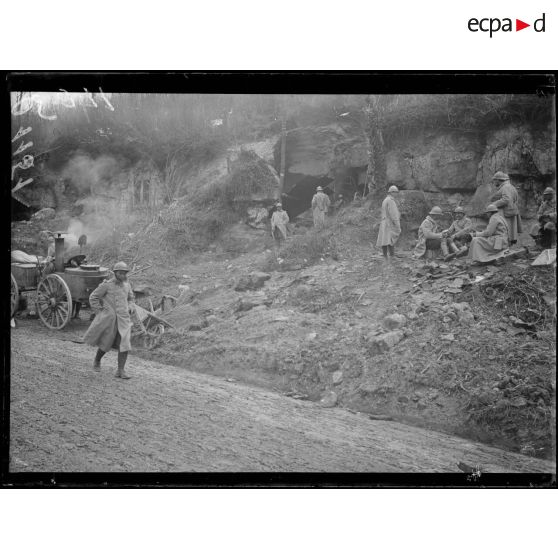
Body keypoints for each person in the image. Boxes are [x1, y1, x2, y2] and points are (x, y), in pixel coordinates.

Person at [83, 261, 135, 379]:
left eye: (124, 273)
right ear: (115, 273)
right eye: (120, 273)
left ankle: (120, 370)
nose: (123, 275)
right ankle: (97, 360)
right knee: (106, 343)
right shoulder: (106, 285)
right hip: (110, 320)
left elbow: (131, 298)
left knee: (125, 344)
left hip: (124, 320)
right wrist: (100, 312)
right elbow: (93, 297)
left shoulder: (127, 285)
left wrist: (131, 307)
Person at [489, 171, 522, 245]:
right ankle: (505, 247)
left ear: (498, 180)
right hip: (510, 211)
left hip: (505, 213)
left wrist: (493, 205)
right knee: (509, 232)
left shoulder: (506, 187)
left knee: (502, 231)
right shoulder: (510, 186)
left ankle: (501, 248)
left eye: (494, 180)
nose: (494, 182)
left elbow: (506, 199)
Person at [376, 185, 401, 260]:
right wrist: (397, 224)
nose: (397, 194)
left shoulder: (385, 200)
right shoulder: (390, 200)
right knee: (390, 238)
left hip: (384, 221)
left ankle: (385, 255)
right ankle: (392, 255)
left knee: (385, 238)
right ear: (392, 192)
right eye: (395, 192)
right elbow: (394, 214)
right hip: (389, 222)